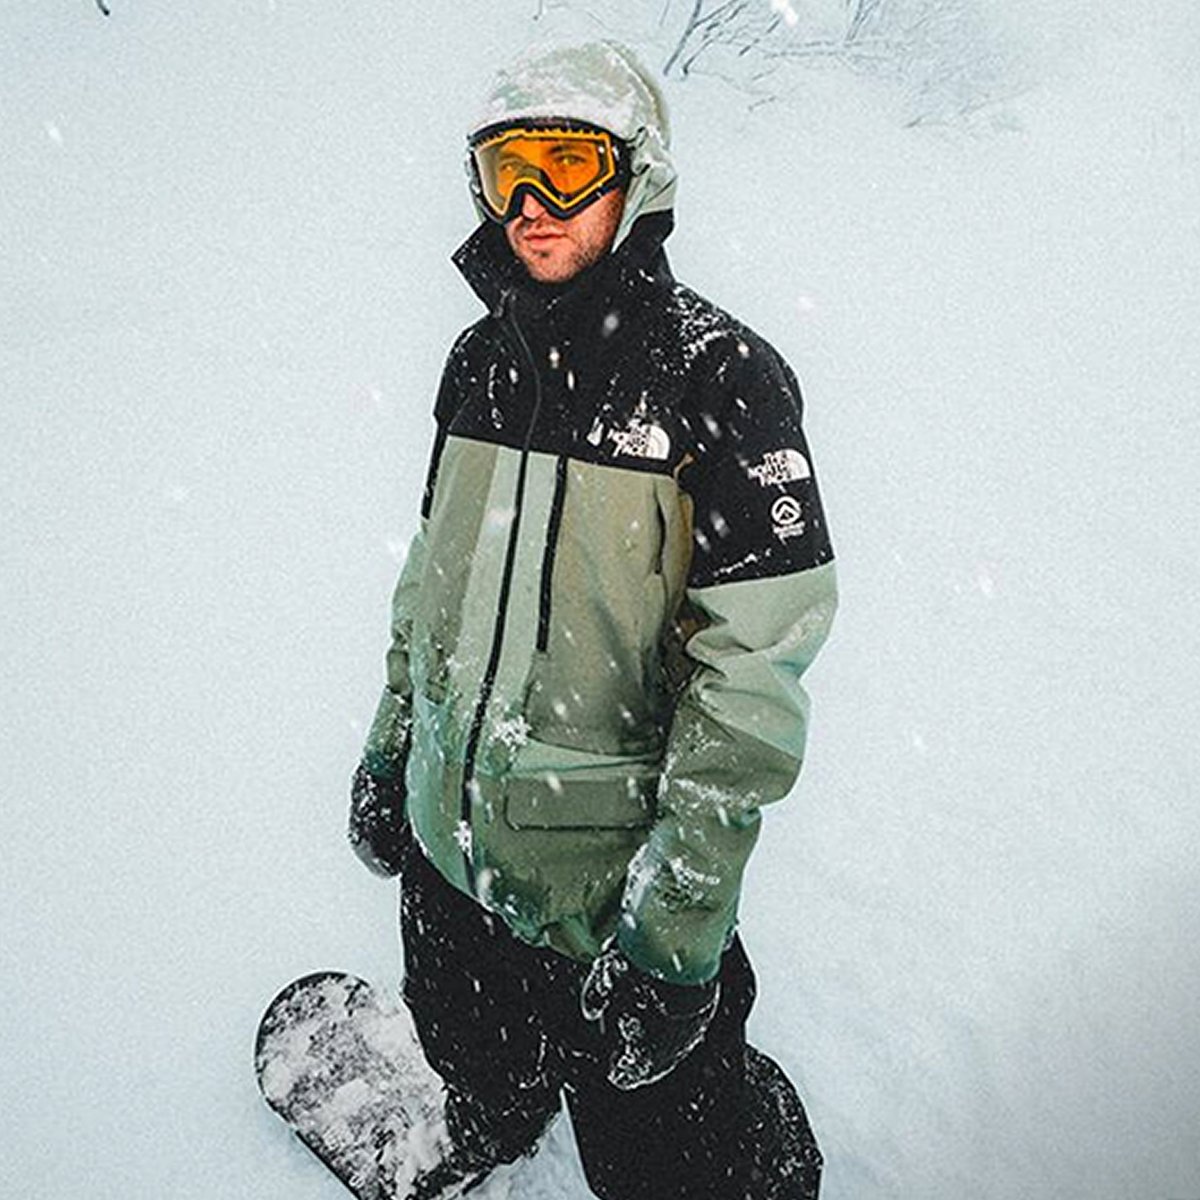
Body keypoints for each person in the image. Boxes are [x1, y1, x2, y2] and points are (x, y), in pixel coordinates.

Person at [348, 39, 838, 1200]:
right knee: (475, 1059)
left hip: (604, 888)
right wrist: (390, 747)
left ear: (636, 178)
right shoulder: (480, 365)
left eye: (566, 167)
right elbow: (433, 586)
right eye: (507, 168)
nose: (531, 206)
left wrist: (673, 941)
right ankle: (492, 1120)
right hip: (451, 854)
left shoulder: (720, 380)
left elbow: (751, 677)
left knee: (669, 1160)